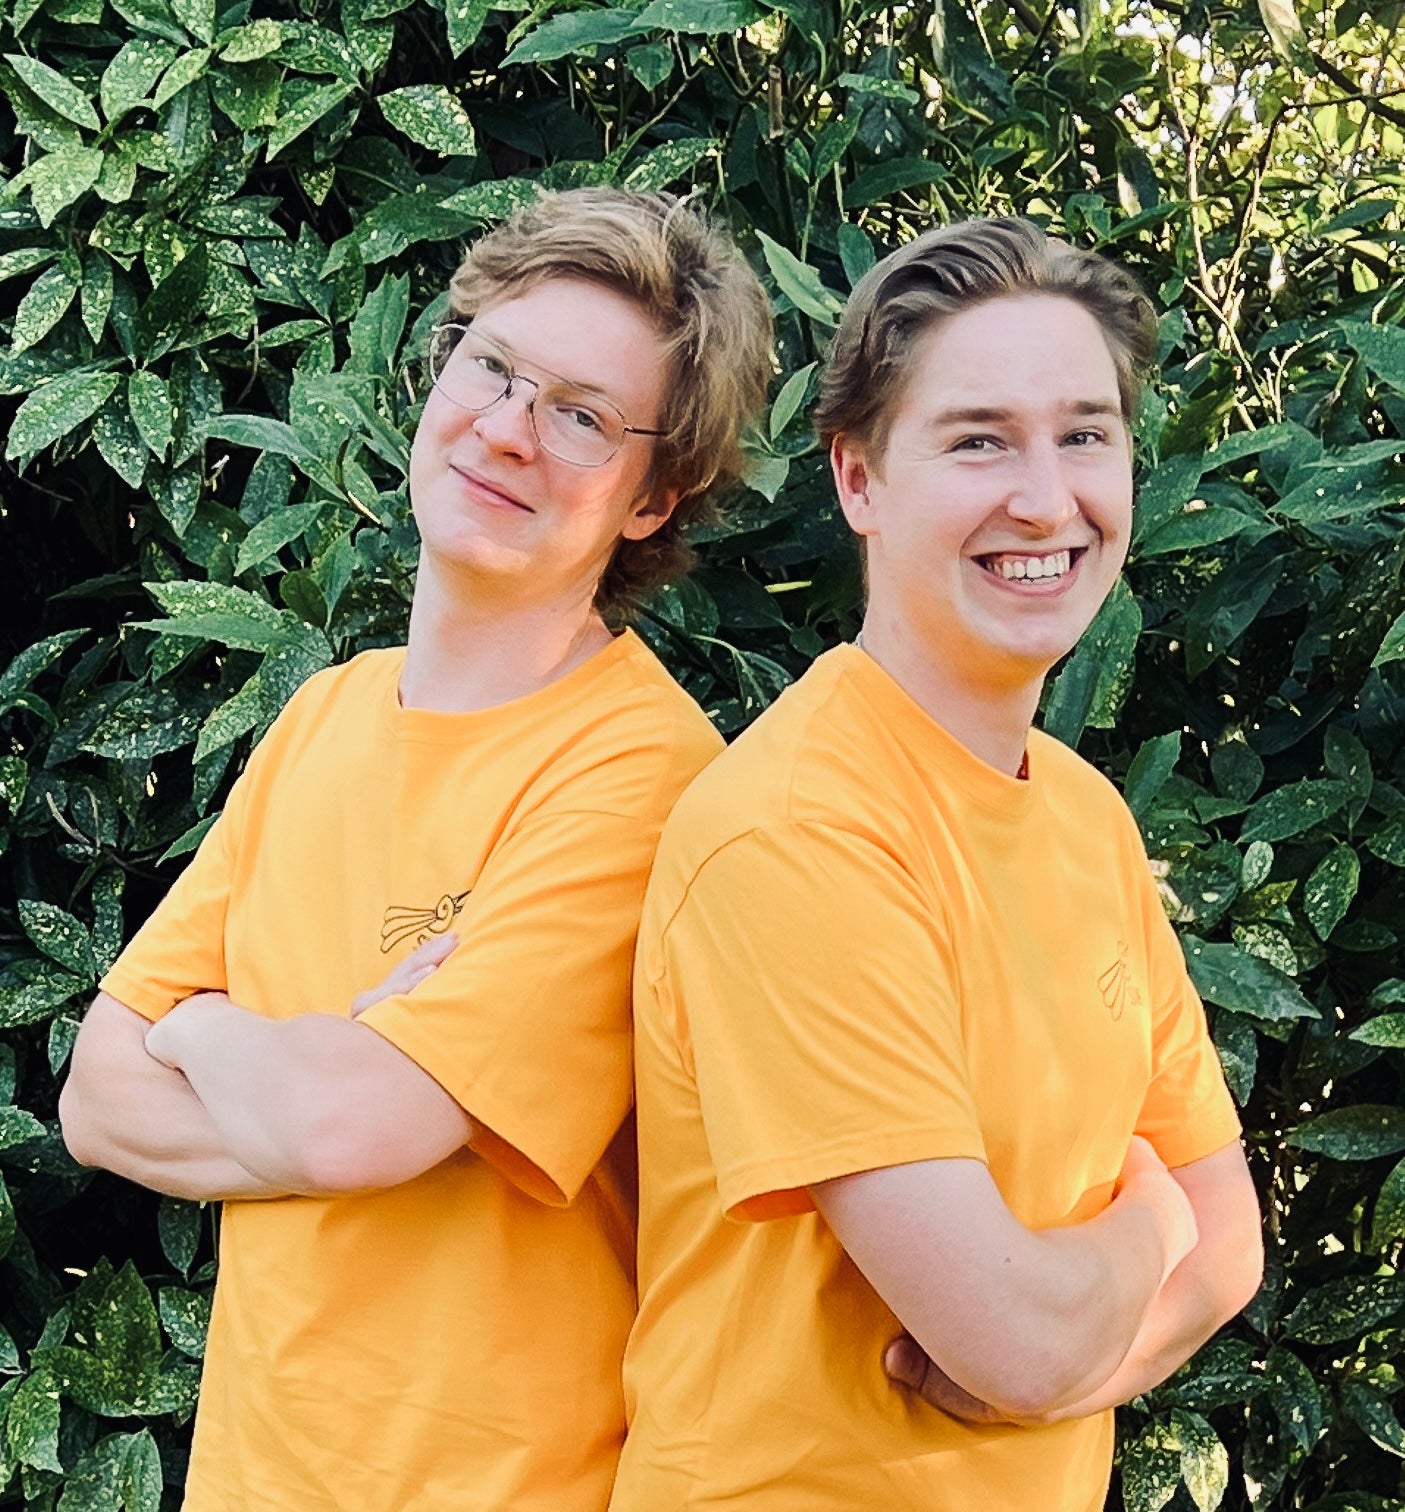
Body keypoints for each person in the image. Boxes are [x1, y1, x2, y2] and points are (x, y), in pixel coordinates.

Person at [59, 187, 772, 1512]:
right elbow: (97, 1097)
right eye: (491, 367)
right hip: (252, 1479)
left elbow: (348, 1120)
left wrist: (207, 1035)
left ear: (649, 496)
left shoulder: (644, 775)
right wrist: (334, 1061)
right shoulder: (329, 712)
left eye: (579, 416)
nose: (506, 431)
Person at [611, 216, 1264, 1509]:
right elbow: (1023, 1330)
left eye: (1084, 434)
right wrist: (1143, 1226)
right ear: (858, 478)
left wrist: (1065, 1353)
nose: (1044, 496)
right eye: (978, 440)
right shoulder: (794, 830)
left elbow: (1228, 1247)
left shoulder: (1082, 816)